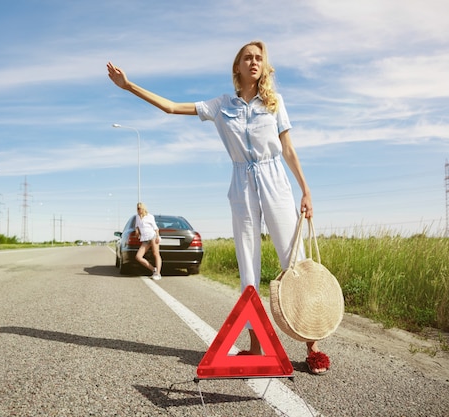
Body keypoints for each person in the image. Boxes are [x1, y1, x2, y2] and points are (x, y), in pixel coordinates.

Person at [107, 41, 329, 374]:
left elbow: (288, 149)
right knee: (248, 266)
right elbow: (171, 107)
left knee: (292, 262)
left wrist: (306, 191)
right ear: (237, 68)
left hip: (275, 180)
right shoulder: (220, 105)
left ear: (263, 67)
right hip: (241, 185)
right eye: (247, 58)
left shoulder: (275, 102)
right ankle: (256, 346)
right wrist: (129, 87)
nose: (253, 62)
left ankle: (312, 344)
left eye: (259, 58)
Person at [134, 202, 162, 280]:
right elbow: (137, 226)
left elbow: (155, 228)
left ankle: (158, 273)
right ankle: (154, 269)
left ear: (143, 208)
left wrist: (157, 236)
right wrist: (136, 230)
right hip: (145, 238)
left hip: (152, 236)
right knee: (138, 257)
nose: (139, 210)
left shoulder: (149, 216)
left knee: (156, 253)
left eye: (140, 208)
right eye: (137, 208)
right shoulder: (137, 217)